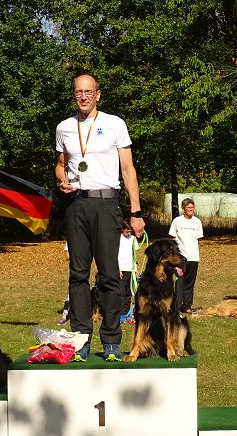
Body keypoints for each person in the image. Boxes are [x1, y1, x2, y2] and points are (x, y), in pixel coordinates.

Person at [55, 72, 145, 362]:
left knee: (109, 274)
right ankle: (80, 338)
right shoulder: (64, 128)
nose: (83, 96)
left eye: (88, 91)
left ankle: (110, 340)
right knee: (78, 274)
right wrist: (61, 180)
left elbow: (128, 170)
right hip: (76, 204)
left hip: (107, 205)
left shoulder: (115, 123)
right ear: (74, 95)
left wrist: (136, 211)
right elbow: (60, 165)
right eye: (78, 92)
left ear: (98, 94)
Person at [169, 198, 204, 314]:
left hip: (193, 257)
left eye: (192, 207)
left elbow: (197, 239)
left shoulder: (197, 222)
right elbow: (173, 239)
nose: (191, 210)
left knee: (190, 282)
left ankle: (187, 306)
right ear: (183, 209)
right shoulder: (177, 221)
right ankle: (177, 307)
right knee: (179, 281)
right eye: (188, 208)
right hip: (180, 258)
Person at [118, 220, 140, 323]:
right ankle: (120, 313)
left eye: (130, 231)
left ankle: (126, 313)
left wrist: (136, 270)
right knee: (121, 292)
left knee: (129, 292)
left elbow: (134, 256)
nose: (129, 233)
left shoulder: (133, 239)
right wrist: (118, 269)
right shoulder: (118, 239)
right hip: (121, 269)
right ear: (122, 230)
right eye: (127, 231)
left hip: (131, 269)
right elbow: (115, 255)